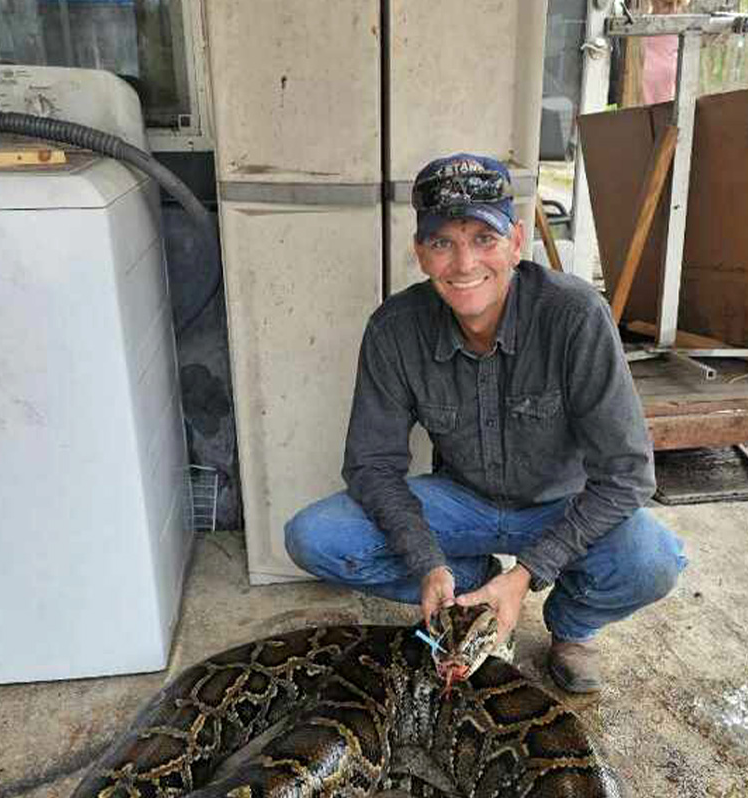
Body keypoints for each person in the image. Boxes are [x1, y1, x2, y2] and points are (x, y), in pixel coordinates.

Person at [284, 153, 685, 693]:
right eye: (443, 243)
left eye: (484, 239)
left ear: (517, 242)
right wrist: (427, 562)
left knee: (652, 560)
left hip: (557, 506)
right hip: (460, 503)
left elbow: (629, 474)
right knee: (314, 537)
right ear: (420, 254)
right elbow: (372, 466)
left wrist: (527, 575)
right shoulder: (394, 329)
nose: (464, 263)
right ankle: (467, 584)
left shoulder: (574, 315)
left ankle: (572, 625)